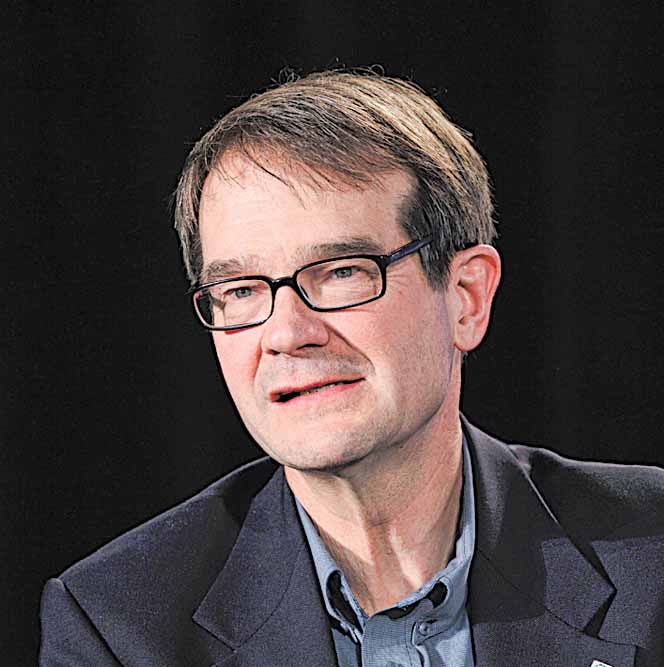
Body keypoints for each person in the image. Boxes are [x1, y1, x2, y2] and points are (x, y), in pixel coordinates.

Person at [38, 71, 664, 666]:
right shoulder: (120, 627)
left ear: (466, 297)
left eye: (341, 273)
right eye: (242, 291)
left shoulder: (651, 557)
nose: (285, 334)